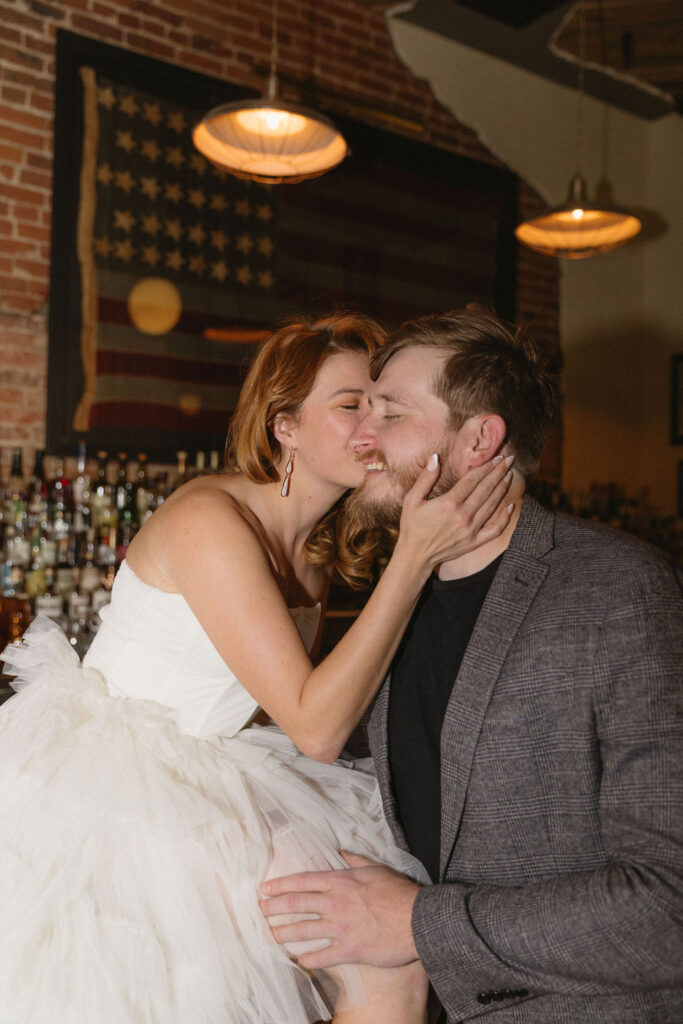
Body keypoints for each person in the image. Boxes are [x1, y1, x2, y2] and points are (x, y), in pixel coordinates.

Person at [0, 313, 514, 1024]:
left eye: (382, 405)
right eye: (348, 404)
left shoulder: (311, 546)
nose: (372, 424)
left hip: (215, 773)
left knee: (386, 961)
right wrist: (413, 557)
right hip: (122, 787)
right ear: (285, 427)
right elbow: (314, 728)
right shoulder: (213, 520)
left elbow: (289, 708)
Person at [260, 309, 683, 1023]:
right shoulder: (397, 594)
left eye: (390, 413)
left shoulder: (618, 590)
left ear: (480, 438)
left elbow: (668, 906)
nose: (364, 439)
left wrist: (417, 925)